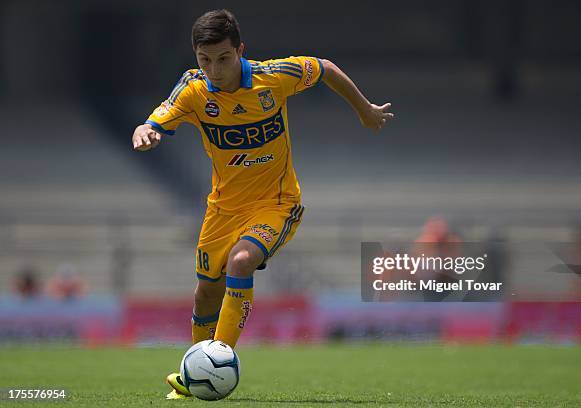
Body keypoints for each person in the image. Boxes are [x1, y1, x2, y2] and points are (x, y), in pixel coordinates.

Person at [131, 9, 393, 399]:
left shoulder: (273, 77)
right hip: (222, 208)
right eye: (205, 60)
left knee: (241, 261)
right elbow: (155, 121)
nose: (215, 70)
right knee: (206, 291)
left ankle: (216, 362)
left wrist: (364, 109)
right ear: (195, 57)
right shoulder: (194, 89)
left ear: (240, 50)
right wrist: (145, 130)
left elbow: (324, 68)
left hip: (277, 202)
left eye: (223, 58)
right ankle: (194, 373)